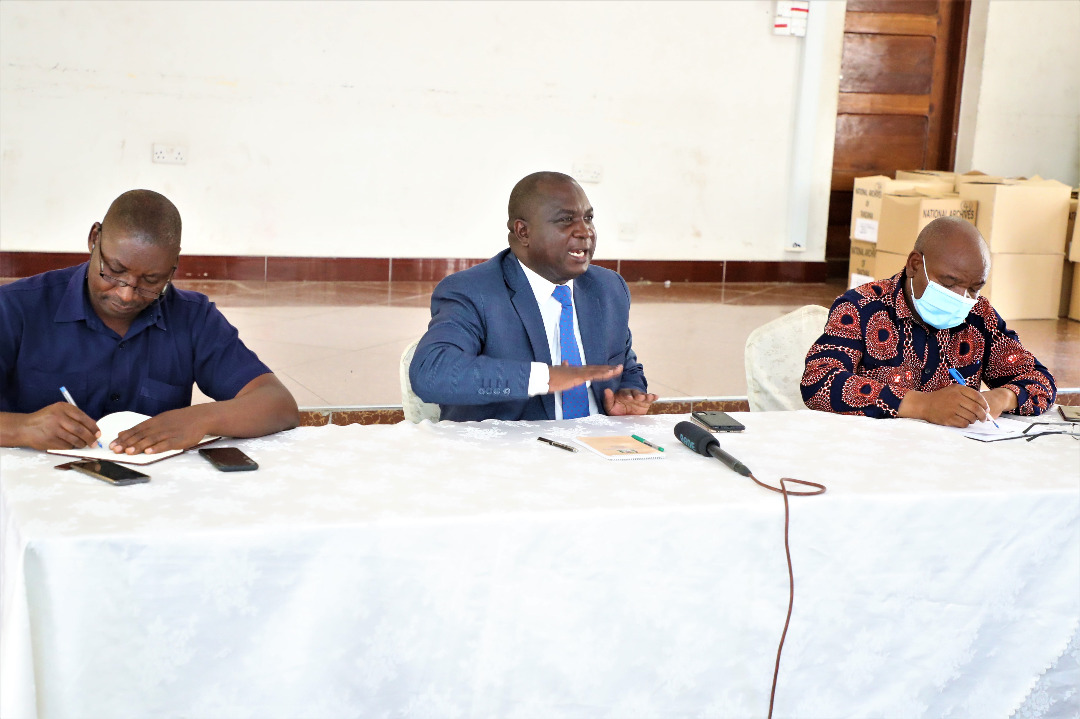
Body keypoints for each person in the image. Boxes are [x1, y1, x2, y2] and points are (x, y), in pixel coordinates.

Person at [0, 189, 299, 452]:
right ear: (94, 239)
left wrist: (200, 418)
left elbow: (278, 404)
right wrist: (22, 428)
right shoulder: (17, 307)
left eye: (151, 280)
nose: (126, 294)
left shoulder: (192, 317)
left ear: (173, 266)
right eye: (114, 270)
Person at [409, 171, 657, 421]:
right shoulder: (472, 291)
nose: (585, 231)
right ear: (523, 232)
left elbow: (625, 364)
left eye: (588, 218)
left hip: (597, 440)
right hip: (509, 443)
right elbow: (432, 373)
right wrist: (543, 377)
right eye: (566, 220)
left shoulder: (608, 287)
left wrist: (629, 392)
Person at [801, 216, 1056, 427]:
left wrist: (1001, 397)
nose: (961, 298)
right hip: (873, 453)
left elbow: (1041, 380)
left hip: (951, 457)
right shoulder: (861, 307)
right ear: (914, 265)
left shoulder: (979, 316)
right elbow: (819, 381)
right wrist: (923, 405)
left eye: (974, 288)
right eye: (949, 283)